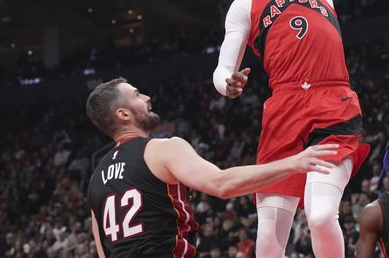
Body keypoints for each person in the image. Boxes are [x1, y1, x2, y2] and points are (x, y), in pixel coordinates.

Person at [212, 0, 369, 257]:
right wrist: (226, 83)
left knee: (319, 217)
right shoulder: (244, 6)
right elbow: (223, 68)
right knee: (268, 240)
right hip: (284, 109)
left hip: (332, 102)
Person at [85, 78, 337, 257]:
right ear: (123, 114)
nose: (147, 98)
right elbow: (222, 183)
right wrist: (294, 162)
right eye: (137, 95)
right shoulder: (161, 149)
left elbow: (103, 251)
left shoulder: (95, 180)